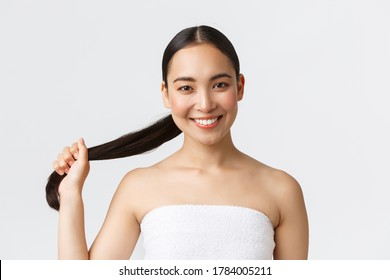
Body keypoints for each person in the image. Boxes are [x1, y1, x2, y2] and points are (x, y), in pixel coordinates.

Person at [47, 25, 309, 260]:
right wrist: (70, 194)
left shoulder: (282, 190)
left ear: (240, 87)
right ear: (166, 94)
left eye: (219, 84)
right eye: (186, 88)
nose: (205, 104)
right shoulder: (138, 186)